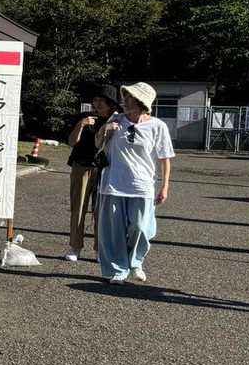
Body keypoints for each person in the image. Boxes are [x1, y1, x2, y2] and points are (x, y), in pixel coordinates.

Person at [95, 81, 174, 284]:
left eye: (130, 98)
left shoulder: (158, 126)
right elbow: (98, 144)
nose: (125, 101)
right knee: (114, 231)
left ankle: (135, 262)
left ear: (141, 102)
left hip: (142, 186)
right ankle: (118, 269)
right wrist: (105, 129)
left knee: (140, 228)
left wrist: (165, 186)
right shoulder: (116, 119)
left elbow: (165, 158)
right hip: (113, 184)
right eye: (126, 96)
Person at [63, 87, 118, 262]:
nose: (97, 104)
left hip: (104, 169)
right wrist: (81, 125)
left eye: (101, 101)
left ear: (110, 104)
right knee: (78, 207)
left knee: (101, 210)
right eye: (95, 100)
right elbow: (71, 142)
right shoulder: (84, 117)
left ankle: (99, 248)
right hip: (81, 166)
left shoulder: (116, 120)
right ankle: (75, 247)